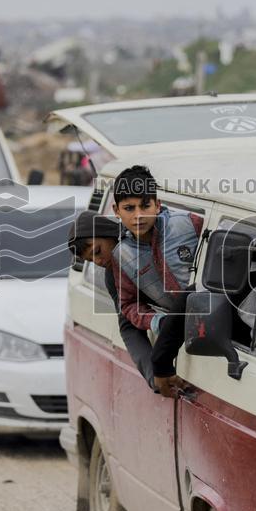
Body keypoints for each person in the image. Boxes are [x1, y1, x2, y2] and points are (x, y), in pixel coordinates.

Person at [110, 165, 203, 395]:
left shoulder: (189, 224)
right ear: (116, 211)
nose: (138, 215)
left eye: (145, 205)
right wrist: (158, 322)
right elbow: (129, 305)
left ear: (158, 204)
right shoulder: (122, 256)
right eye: (129, 208)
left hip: (217, 321)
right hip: (177, 337)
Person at [67, 210, 158, 390]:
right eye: (91, 260)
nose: (98, 261)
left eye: (97, 251)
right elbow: (128, 324)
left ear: (109, 233)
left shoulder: (152, 235)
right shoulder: (114, 277)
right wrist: (155, 374)